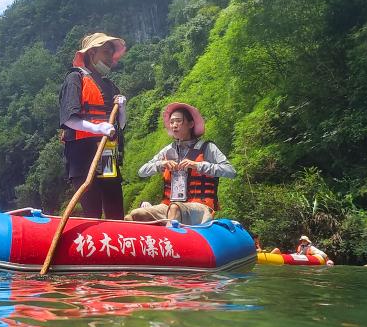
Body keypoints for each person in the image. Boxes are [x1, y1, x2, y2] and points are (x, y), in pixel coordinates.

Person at [126, 102, 236, 225]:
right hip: (168, 205)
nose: (174, 125)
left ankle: (169, 240)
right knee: (135, 214)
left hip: (200, 207)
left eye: (178, 121)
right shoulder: (168, 150)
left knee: (175, 208)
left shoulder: (207, 147)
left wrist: (197, 165)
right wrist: (161, 164)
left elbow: (231, 171)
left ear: (191, 124)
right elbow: (142, 171)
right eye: (171, 122)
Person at [58, 32, 128, 220]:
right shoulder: (75, 78)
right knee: (93, 211)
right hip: (82, 154)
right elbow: (68, 119)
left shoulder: (110, 85)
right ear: (92, 54)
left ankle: (118, 244)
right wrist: (97, 128)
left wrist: (122, 110)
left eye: (111, 53)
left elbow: (120, 125)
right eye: (106, 52)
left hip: (107, 153)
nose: (110, 58)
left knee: (115, 210)